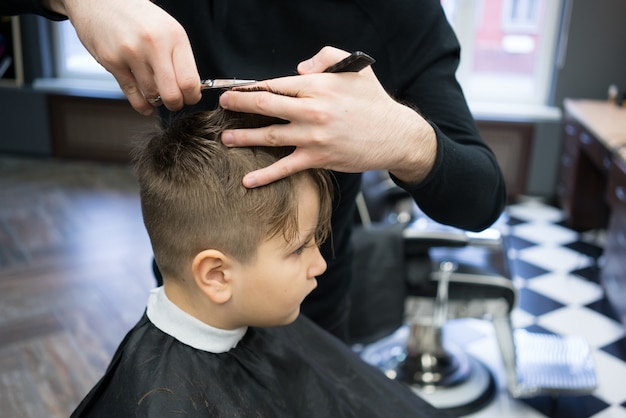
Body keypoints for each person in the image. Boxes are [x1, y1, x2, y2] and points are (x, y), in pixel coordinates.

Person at [1, 0, 507, 341]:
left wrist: (405, 139)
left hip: (311, 303)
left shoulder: (397, 12)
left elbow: (481, 196)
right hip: (187, 288)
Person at [70, 107, 453, 417]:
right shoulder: (160, 399)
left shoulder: (253, 319)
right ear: (217, 275)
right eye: (299, 248)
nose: (320, 265)